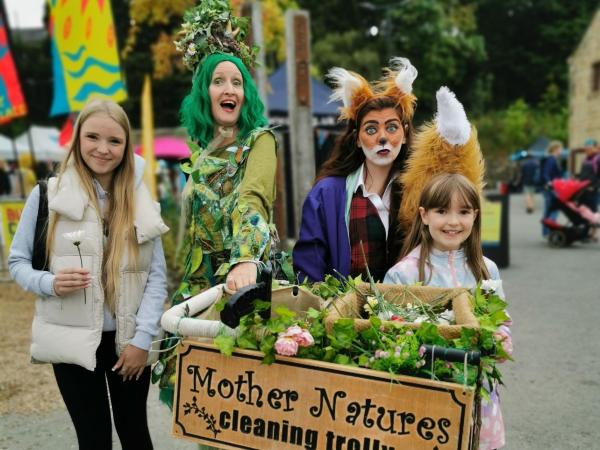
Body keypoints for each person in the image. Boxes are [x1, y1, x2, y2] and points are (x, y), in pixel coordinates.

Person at [8, 98, 169, 450]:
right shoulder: (47, 196)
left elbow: (156, 277)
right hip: (72, 342)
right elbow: (17, 262)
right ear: (78, 138)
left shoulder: (142, 202)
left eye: (114, 141)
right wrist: (49, 283)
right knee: (93, 439)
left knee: (136, 436)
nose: (102, 149)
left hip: (128, 344)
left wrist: (142, 340)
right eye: (92, 137)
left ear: (127, 147)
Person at [157, 2, 277, 415]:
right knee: (203, 410)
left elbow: (253, 201)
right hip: (197, 287)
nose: (229, 90)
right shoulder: (200, 153)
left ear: (246, 94)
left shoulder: (259, 141)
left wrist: (244, 259)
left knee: (246, 407)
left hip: (242, 286)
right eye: (218, 81)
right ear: (203, 92)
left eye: (237, 82)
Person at [384, 173, 512, 450]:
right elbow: (390, 335)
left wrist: (500, 339)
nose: (453, 221)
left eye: (463, 211)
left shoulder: (486, 269)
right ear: (424, 215)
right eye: (442, 211)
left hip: (478, 388)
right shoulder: (402, 275)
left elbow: (500, 320)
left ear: (475, 215)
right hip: (424, 389)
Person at [293, 57, 418, 282]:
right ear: (357, 139)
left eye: (391, 127)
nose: (382, 137)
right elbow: (309, 270)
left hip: (409, 313)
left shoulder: (421, 191)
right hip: (343, 313)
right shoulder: (326, 195)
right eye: (371, 129)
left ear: (405, 133)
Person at [541, 140, 564, 237]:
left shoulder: (549, 159)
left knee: (548, 210)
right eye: (560, 149)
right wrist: (549, 182)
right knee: (554, 208)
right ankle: (549, 229)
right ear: (555, 149)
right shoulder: (551, 159)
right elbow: (546, 173)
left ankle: (546, 232)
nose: (561, 151)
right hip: (552, 187)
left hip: (549, 187)